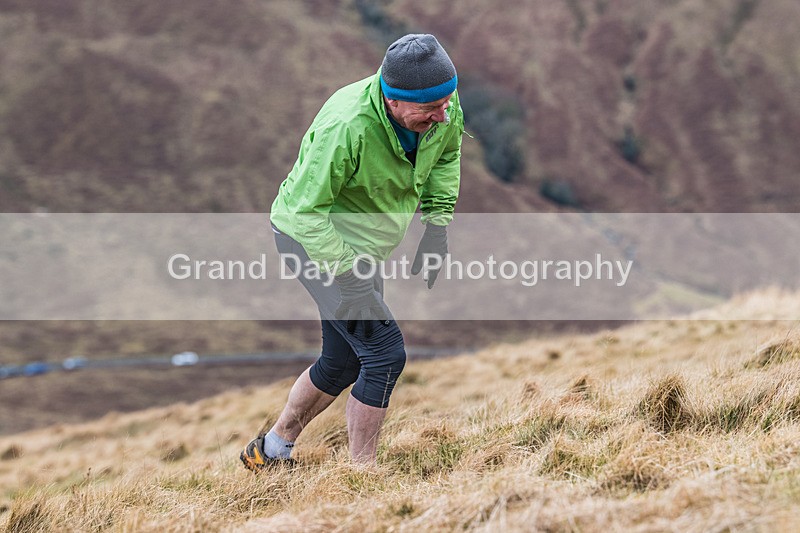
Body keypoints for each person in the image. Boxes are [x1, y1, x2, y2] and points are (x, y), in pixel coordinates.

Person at [240, 33, 464, 468]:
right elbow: (305, 213)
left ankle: (269, 451)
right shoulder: (346, 127)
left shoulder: (441, 102)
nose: (442, 115)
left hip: (361, 246)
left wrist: (437, 224)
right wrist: (349, 277)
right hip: (311, 240)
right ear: (393, 100)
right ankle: (363, 474)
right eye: (430, 109)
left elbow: (447, 154)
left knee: (341, 363)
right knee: (384, 354)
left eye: (446, 103)